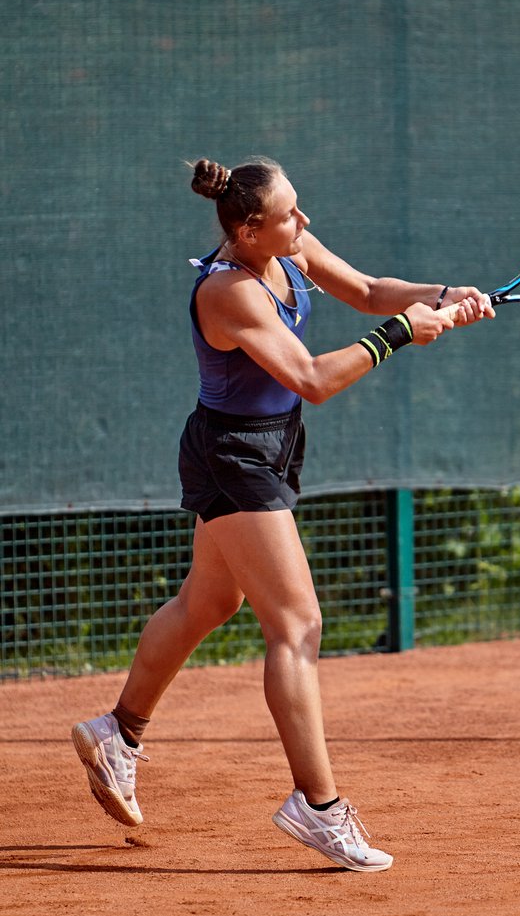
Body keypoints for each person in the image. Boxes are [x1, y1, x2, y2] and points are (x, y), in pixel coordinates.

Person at [72, 155, 494, 873]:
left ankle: (119, 732)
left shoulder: (289, 247)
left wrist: (446, 295)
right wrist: (400, 333)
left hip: (269, 445)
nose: (303, 221)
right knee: (297, 626)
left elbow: (367, 290)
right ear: (246, 229)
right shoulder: (229, 292)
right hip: (233, 455)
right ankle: (317, 805)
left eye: (299, 207)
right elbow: (310, 378)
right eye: (288, 214)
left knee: (209, 601)